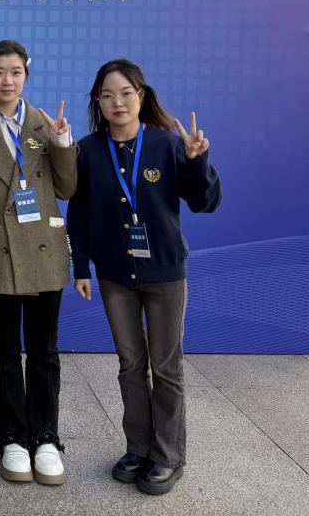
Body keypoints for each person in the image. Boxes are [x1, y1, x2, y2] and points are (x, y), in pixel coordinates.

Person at [67, 59, 221, 496]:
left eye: (126, 93)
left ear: (142, 96)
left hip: (165, 273)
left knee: (165, 366)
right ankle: (137, 447)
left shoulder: (167, 144)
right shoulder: (88, 150)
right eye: (107, 95)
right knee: (130, 364)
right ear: (98, 102)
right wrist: (81, 267)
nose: (117, 102)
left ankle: (168, 455)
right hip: (114, 274)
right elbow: (79, 213)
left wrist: (197, 162)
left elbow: (205, 202)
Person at [0, 40, 76, 485]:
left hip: (44, 248)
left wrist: (62, 143)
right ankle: (12, 438)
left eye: (16, 72)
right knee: (3, 350)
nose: (8, 80)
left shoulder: (44, 124)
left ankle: (45, 437)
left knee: (44, 350)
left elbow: (67, 188)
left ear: (26, 76)